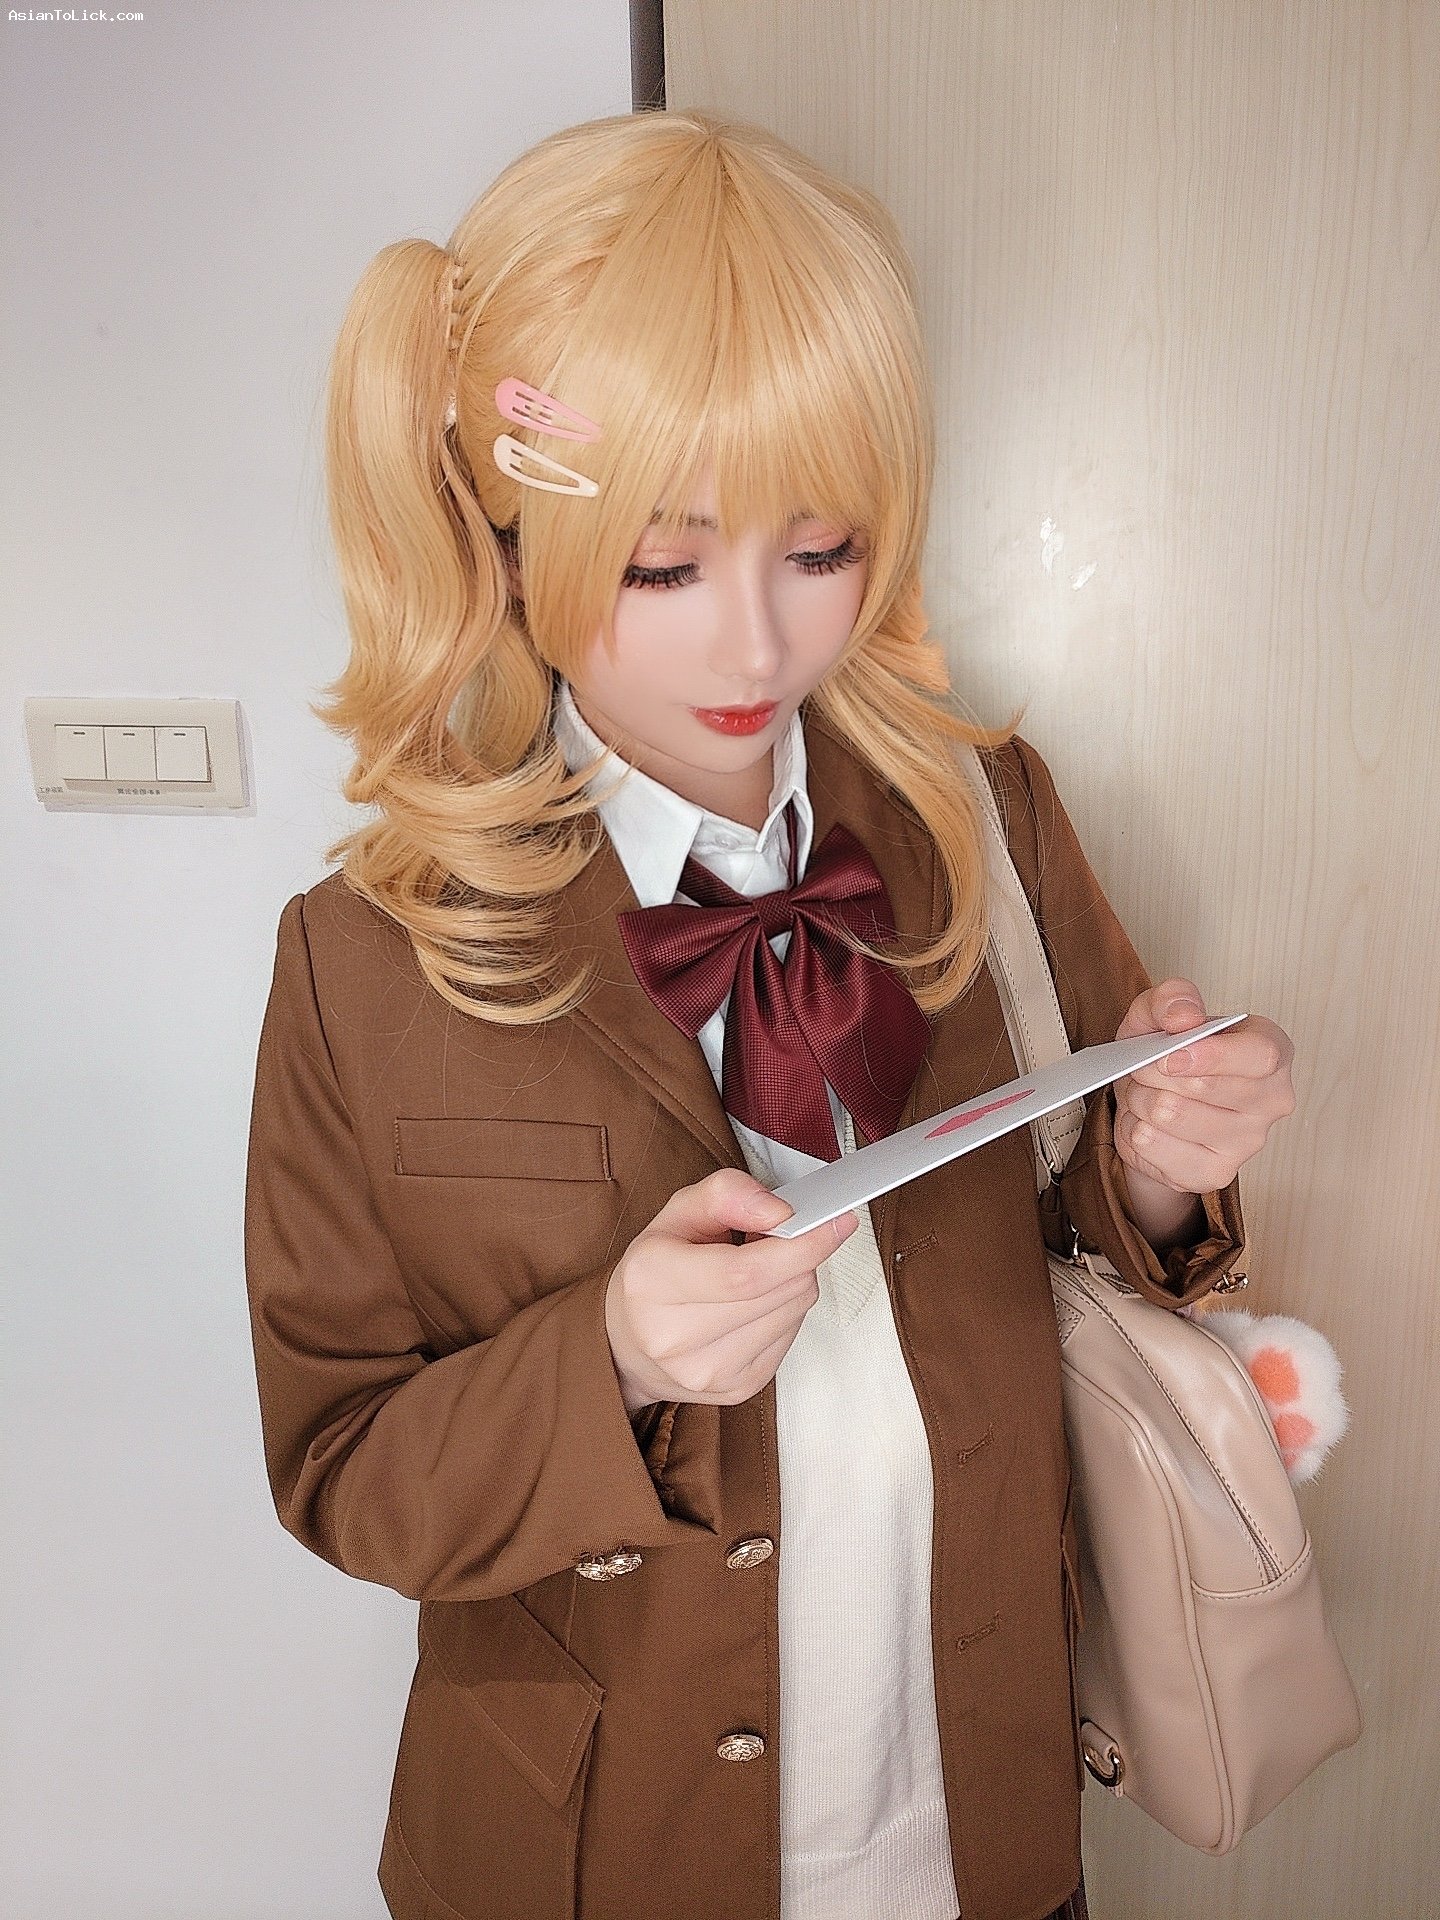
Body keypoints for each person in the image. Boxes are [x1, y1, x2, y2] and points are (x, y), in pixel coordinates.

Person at [244, 109, 1296, 1920]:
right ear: (504, 536)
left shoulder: (988, 815)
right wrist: (614, 1359)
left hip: (980, 1807)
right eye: (662, 568)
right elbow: (343, 1472)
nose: (754, 648)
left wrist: (1163, 1163)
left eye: (819, 549)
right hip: (598, 1852)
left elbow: (1081, 1240)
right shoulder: (365, 957)